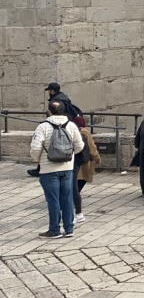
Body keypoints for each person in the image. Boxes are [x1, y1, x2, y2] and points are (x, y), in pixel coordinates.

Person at [30, 100, 84, 238]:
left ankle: (54, 229)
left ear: (49, 111)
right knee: (67, 198)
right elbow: (79, 146)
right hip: (67, 168)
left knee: (53, 200)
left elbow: (35, 148)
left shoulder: (43, 127)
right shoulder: (71, 125)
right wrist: (70, 156)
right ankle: (69, 229)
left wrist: (38, 160)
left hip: (48, 169)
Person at [72, 115, 100, 225]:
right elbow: (92, 148)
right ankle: (74, 202)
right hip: (84, 161)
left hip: (74, 161)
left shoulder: (73, 130)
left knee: (75, 182)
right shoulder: (85, 132)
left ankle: (73, 199)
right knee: (80, 181)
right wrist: (98, 159)